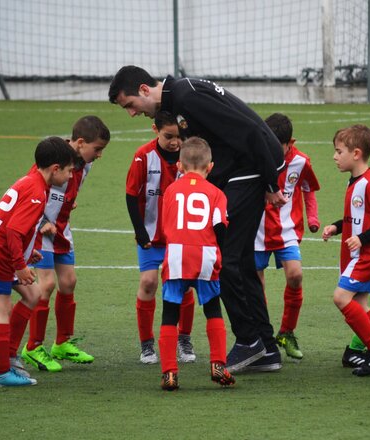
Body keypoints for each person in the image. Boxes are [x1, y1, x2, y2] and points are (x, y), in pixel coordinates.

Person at [109, 65, 288, 373]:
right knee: (242, 260)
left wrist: (271, 182)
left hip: (254, 168)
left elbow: (249, 130)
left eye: (130, 106)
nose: (132, 113)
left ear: (143, 90)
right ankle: (266, 347)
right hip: (247, 169)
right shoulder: (180, 97)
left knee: (226, 257)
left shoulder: (186, 97)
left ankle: (249, 341)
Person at [0, 137, 76, 387]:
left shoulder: (33, 183)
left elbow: (17, 227)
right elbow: (13, 231)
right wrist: (20, 265)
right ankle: (1, 372)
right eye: (69, 171)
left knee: (33, 294)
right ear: (55, 168)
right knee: (2, 309)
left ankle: (9, 355)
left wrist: (28, 254)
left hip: (3, 250)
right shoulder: (37, 192)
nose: (71, 177)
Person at [21, 116, 110, 372]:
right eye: (98, 149)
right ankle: (33, 347)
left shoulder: (85, 165)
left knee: (69, 282)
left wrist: (67, 205)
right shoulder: (53, 158)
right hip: (42, 229)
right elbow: (31, 191)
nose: (100, 155)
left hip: (61, 228)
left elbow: (67, 191)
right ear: (80, 143)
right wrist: (41, 223)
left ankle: (62, 343)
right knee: (46, 284)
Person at [321, 125, 370, 377]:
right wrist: (336, 225)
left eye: (338, 151)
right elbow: (358, 216)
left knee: (341, 298)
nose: (334, 156)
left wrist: (362, 239)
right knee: (361, 304)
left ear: (356, 153)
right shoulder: (355, 181)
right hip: (361, 251)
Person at [158, 137, 235, 390]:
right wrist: (217, 253)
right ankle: (218, 364)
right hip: (205, 255)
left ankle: (169, 372)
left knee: (170, 313)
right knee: (212, 309)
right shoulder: (216, 193)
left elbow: (166, 226)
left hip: (177, 255)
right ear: (210, 167)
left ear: (179, 166)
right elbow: (219, 227)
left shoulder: (171, 190)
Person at [125, 111, 197, 365]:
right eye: (169, 136)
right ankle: (146, 345)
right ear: (155, 130)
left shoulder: (188, 158)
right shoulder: (143, 156)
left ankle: (184, 338)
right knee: (148, 283)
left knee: (184, 285)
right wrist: (140, 230)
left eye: (179, 136)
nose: (175, 142)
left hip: (180, 235)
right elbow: (132, 195)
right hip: (150, 236)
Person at [254, 113, 320, 363]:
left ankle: (287, 332)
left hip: (287, 231)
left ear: (290, 142)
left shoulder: (301, 162)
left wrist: (312, 217)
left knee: (295, 275)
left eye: (277, 145)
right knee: (255, 287)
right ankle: (262, 336)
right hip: (256, 231)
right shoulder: (255, 157)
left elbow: (308, 189)